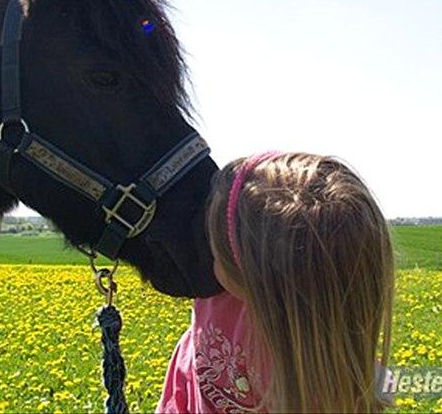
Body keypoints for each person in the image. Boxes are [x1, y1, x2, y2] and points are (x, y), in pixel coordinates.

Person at [156, 152, 395, 413]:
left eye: (214, 246)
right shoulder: (335, 362)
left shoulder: (319, 378)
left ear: (247, 272)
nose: (207, 252)